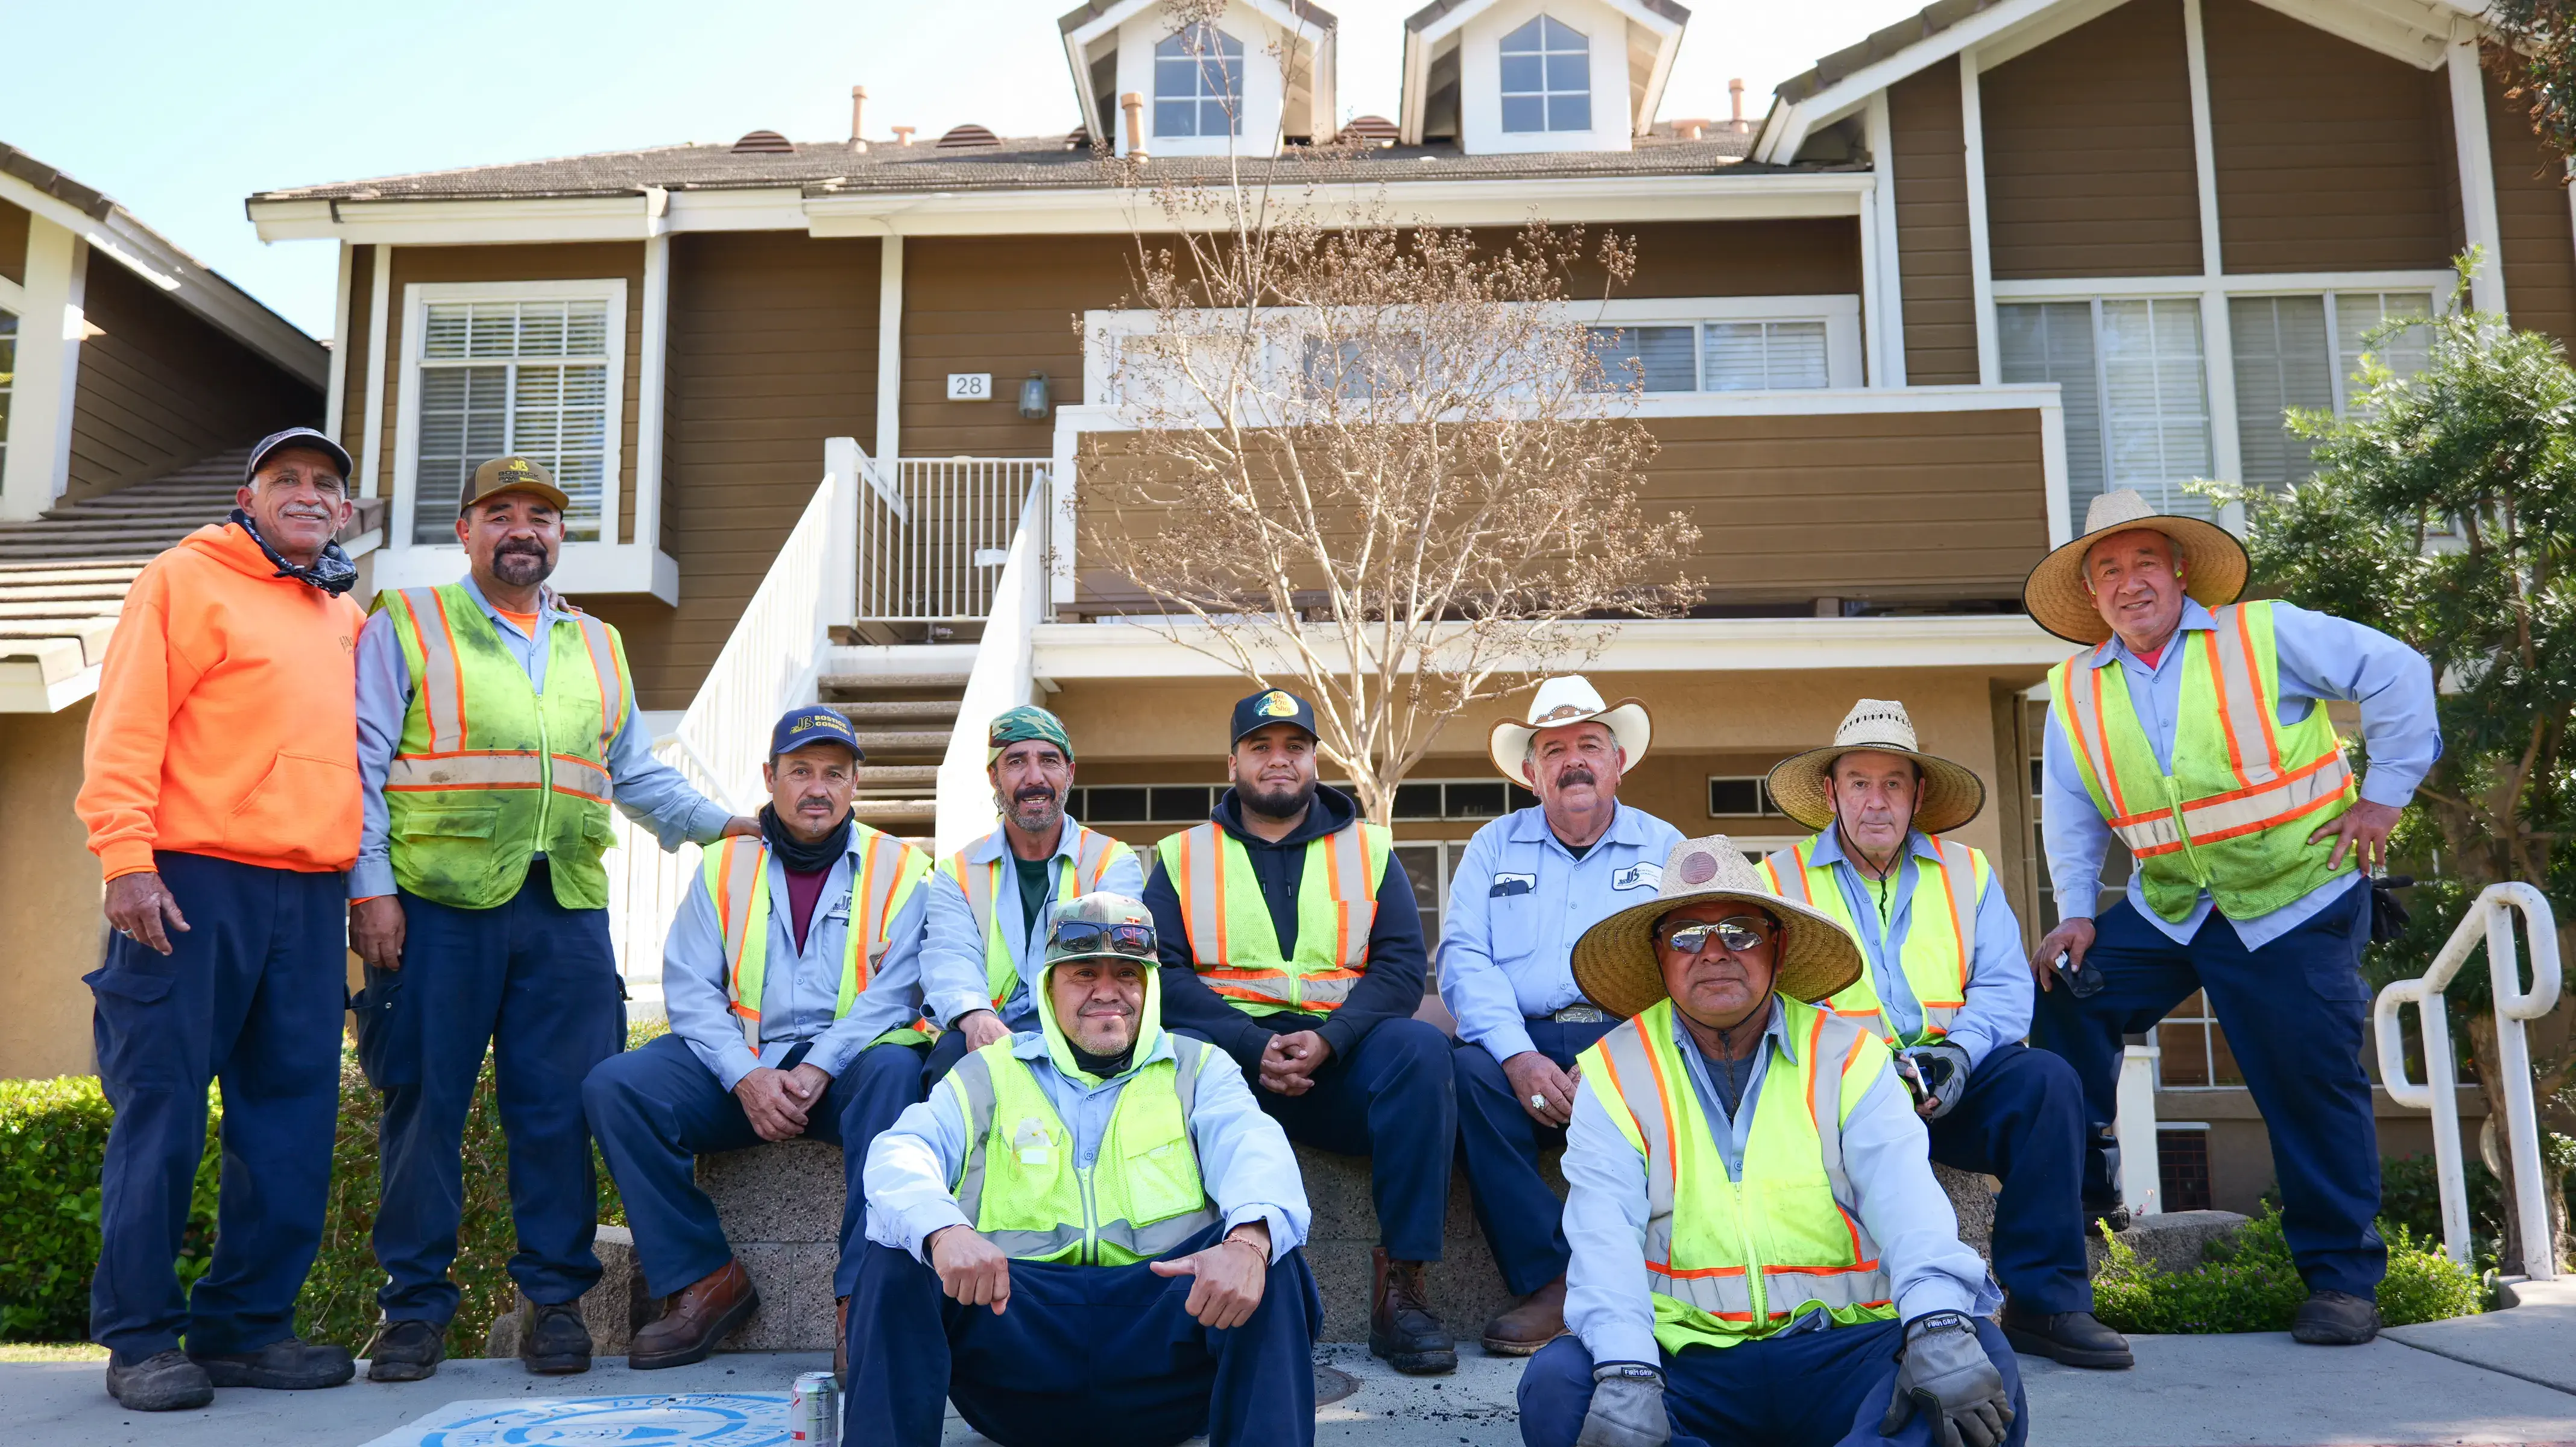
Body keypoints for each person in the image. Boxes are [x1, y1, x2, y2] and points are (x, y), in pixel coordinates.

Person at [347, 456, 756, 1381]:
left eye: (540, 515)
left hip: (565, 910)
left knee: (556, 1114)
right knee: (424, 1107)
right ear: (465, 532)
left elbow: (634, 774)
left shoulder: (598, 645)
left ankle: (556, 1305)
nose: (522, 529)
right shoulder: (406, 624)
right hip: (432, 908)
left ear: (558, 536)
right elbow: (361, 765)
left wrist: (722, 823)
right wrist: (369, 889)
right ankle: (413, 1313)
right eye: (500, 513)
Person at [2022, 487, 2439, 1348]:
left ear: (2178, 575)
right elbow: (2068, 810)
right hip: (2173, 906)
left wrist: (2385, 799)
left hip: (2295, 898)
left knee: (2308, 1082)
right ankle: (2091, 1176)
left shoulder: (2265, 633)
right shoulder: (2074, 687)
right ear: (2093, 596)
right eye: (2109, 572)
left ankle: (2341, 1283)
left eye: (2144, 563)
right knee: (2068, 993)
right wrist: (2075, 914)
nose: (2128, 583)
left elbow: (2398, 668)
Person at [1520, 836, 2026, 1447]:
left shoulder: (1849, 1057)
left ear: (1777, 947)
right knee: (1560, 1383)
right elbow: (1603, 1241)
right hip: (1683, 1366)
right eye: (1685, 936)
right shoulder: (1614, 1071)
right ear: (1659, 958)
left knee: (1978, 1355)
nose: (1713, 953)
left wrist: (1937, 1325)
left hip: (1842, 1352)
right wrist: (1629, 1370)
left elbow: (1909, 1205)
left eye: (1740, 932)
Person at [75, 427, 367, 1411]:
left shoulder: (345, 615)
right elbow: (125, 723)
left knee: (291, 1121)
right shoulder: (183, 578)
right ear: (248, 498)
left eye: (325, 483)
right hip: (190, 883)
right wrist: (126, 858)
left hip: (310, 895)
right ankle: (140, 1341)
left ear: (345, 512)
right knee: (160, 1116)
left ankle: (246, 1329)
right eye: (285, 477)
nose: (307, 492)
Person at [850, 894, 1320, 1447]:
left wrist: (1248, 1242)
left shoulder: (1198, 1067)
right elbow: (901, 1150)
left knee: (1266, 1249)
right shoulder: (988, 1072)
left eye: (1127, 972)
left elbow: (1254, 1147)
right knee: (899, 1248)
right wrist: (944, 1231)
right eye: (1083, 973)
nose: (1107, 991)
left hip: (1164, 1345)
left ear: (1151, 986)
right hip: (1016, 1342)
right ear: (1049, 986)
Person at [1759, 699, 2126, 1369]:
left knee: (2046, 1082)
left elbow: (2006, 988)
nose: (1877, 802)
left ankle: (2045, 1302)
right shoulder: (1774, 883)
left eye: (1893, 783)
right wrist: (1870, 1069)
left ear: (1918, 794)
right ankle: (1840, 1313)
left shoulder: (1968, 871)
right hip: (1835, 1093)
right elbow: (1765, 1008)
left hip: (1953, 1078)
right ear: (1829, 791)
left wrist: (1956, 1053)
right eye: (1859, 783)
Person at [586, 705, 935, 1376]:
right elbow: (690, 988)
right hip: (742, 1069)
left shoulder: (904, 869)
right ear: (770, 777)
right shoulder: (725, 864)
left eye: (836, 773)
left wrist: (823, 1067)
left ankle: (860, 1302)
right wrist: (745, 1076)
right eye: (801, 770)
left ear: (855, 785)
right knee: (617, 1087)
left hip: (849, 1074)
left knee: (899, 1072)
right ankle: (707, 1279)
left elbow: (897, 994)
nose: (818, 788)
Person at [1142, 688, 1459, 1374]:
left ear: (1316, 760)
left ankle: (1401, 1289)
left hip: (1341, 1066)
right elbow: (1158, 974)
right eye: (1261, 748)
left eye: (1294, 747)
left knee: (1424, 1050)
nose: (1278, 761)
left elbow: (1403, 967)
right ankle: (1184, 1291)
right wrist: (1251, 1045)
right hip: (1227, 1071)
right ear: (1234, 763)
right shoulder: (1181, 856)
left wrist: (1332, 1038)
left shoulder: (1371, 851)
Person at [1441, 676, 1682, 1355]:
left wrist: (1613, 1057)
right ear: (1530, 771)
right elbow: (1465, 959)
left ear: (1618, 761)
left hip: (1628, 1037)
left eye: (1589, 745)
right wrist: (1517, 1057)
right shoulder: (1492, 845)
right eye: (1554, 749)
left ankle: (1677, 1275)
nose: (1572, 760)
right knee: (1464, 1075)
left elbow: (1687, 965)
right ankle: (1558, 1282)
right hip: (1522, 1036)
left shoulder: (1666, 846)